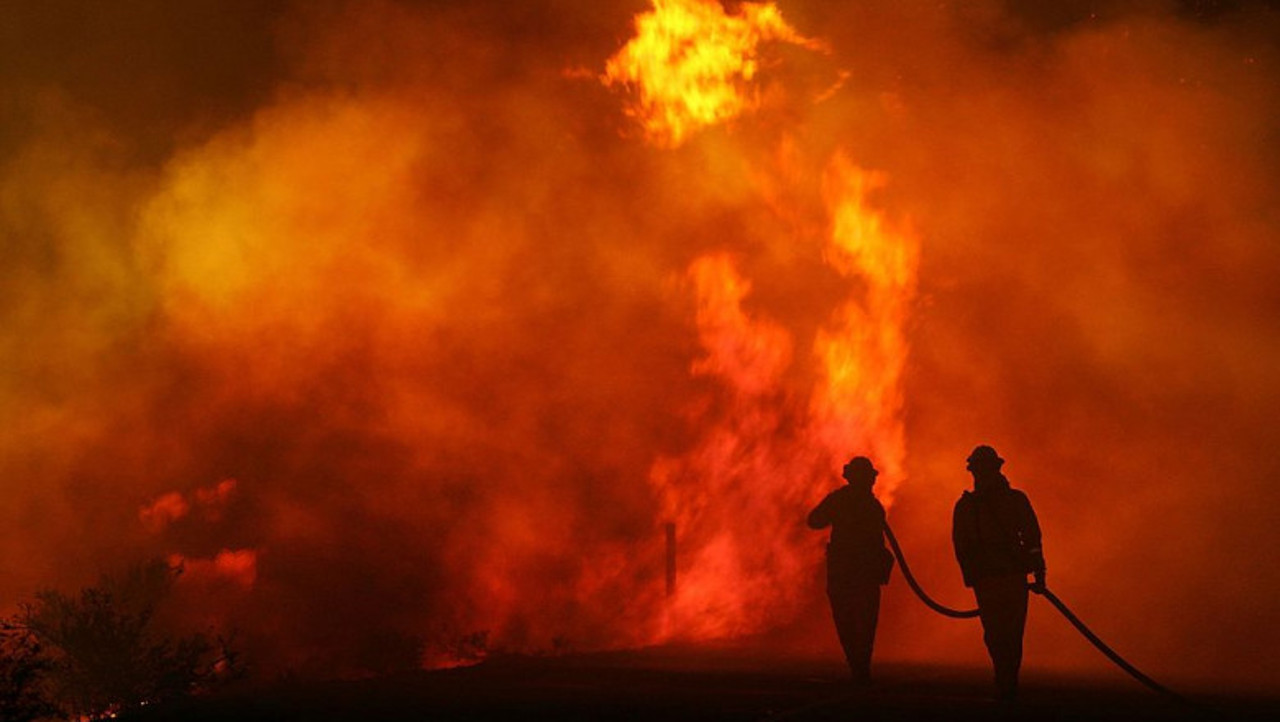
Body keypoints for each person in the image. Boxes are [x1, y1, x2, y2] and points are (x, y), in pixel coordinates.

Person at [951, 445, 1046, 701]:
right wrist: (972, 575)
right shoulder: (967, 507)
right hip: (990, 579)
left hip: (1011, 577)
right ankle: (1004, 676)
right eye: (979, 470)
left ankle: (1007, 678)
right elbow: (961, 546)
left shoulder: (1014, 501)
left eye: (984, 469)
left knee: (1011, 633)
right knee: (996, 633)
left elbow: (1032, 538)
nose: (981, 474)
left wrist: (1039, 571)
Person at [808, 456, 894, 684]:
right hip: (859, 573)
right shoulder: (870, 505)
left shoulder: (845, 501)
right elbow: (814, 520)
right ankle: (860, 665)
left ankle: (858, 664)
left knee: (849, 619)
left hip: (847, 572)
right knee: (862, 621)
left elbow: (814, 520)